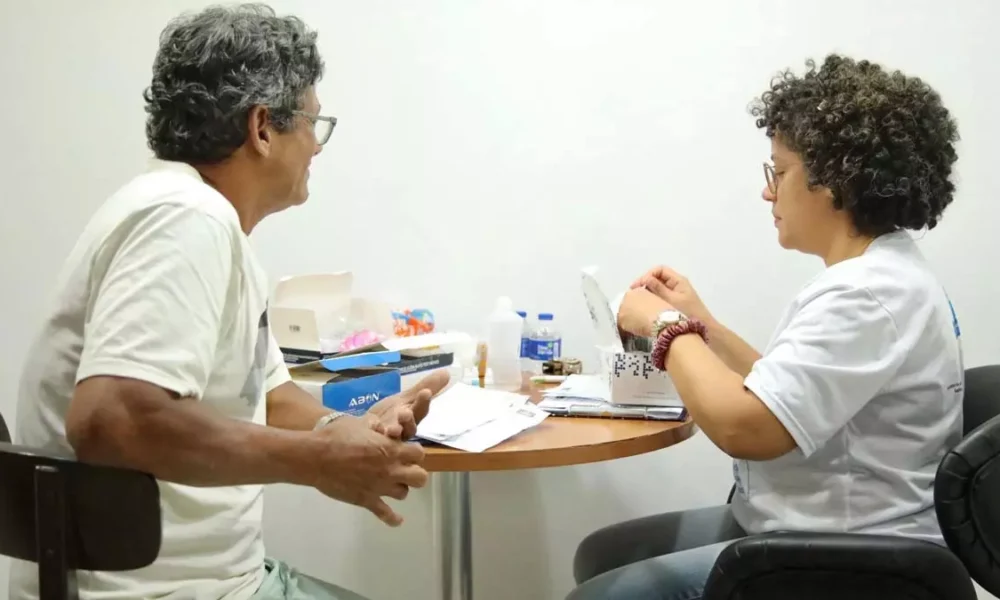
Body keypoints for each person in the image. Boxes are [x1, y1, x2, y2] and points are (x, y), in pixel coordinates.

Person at [10, 4, 449, 600]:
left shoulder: (201, 221)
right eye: (314, 125)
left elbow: (264, 397)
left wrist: (345, 428)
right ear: (263, 127)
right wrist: (316, 460)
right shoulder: (184, 220)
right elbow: (113, 416)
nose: (317, 149)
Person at [568, 54, 963, 600]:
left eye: (778, 172)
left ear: (834, 180)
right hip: (815, 525)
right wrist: (702, 325)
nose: (767, 191)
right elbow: (785, 393)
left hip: (850, 558)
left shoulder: (867, 294)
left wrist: (664, 327)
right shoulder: (884, 276)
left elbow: (745, 428)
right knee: (603, 554)